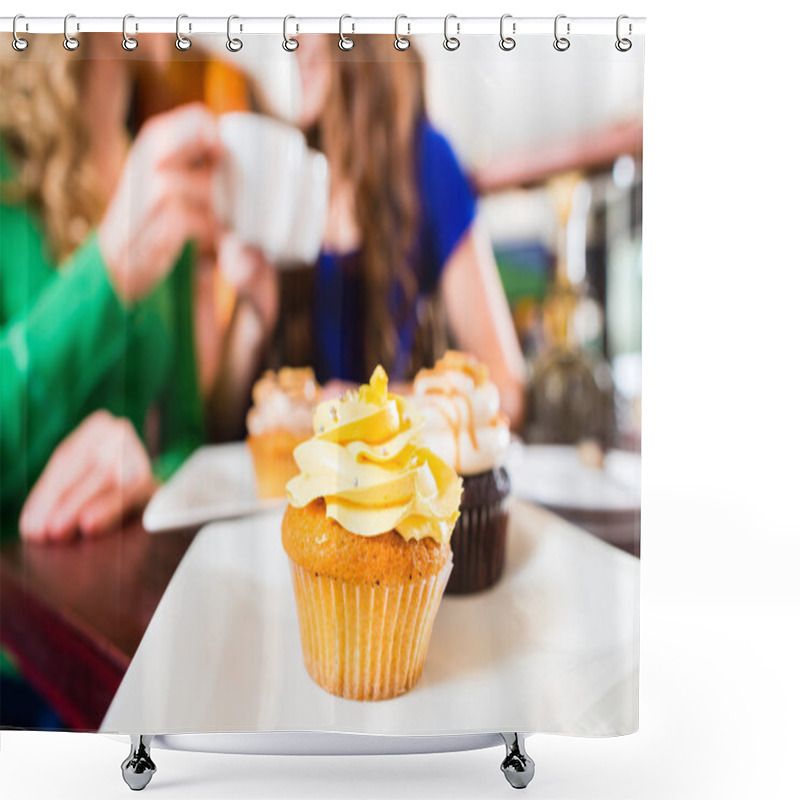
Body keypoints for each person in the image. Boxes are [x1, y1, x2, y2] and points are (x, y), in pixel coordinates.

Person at [211, 34, 527, 435]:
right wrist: (254, 314)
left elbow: (506, 389)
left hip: (393, 482)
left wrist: (367, 407)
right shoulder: (287, 173)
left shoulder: (427, 162)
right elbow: (220, 425)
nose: (291, 38)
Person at [0, 35, 220, 543]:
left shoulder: (161, 180)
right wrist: (109, 269)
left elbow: (186, 440)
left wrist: (147, 479)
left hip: (117, 610)